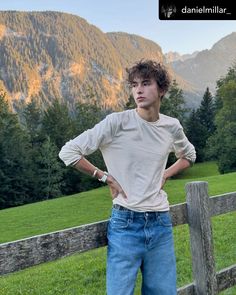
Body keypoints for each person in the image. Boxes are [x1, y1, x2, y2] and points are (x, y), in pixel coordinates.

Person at [59, 59, 196, 295]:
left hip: (160, 223)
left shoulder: (171, 126)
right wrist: (105, 177)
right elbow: (68, 152)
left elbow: (189, 155)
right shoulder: (117, 122)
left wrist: (165, 173)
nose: (138, 90)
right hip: (125, 223)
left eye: (146, 83)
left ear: (161, 89)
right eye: (134, 85)